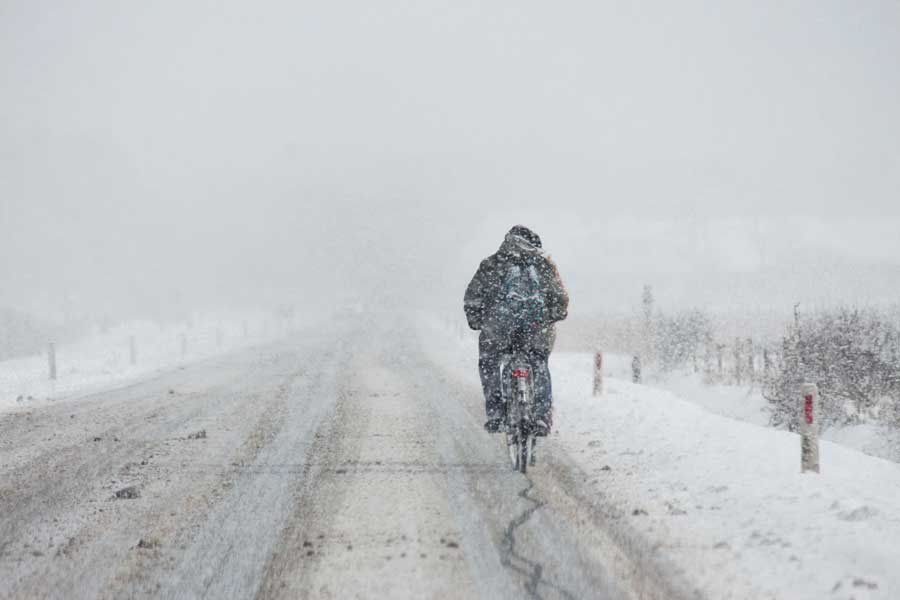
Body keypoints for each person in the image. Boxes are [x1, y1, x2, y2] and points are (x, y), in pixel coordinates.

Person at [463, 225, 568, 434]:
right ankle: (541, 417)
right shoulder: (544, 264)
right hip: (536, 330)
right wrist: (556, 314)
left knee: (489, 363)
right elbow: (559, 297)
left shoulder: (492, 263)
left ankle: (496, 414)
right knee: (538, 363)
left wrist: (476, 320)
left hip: (499, 330)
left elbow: (473, 296)